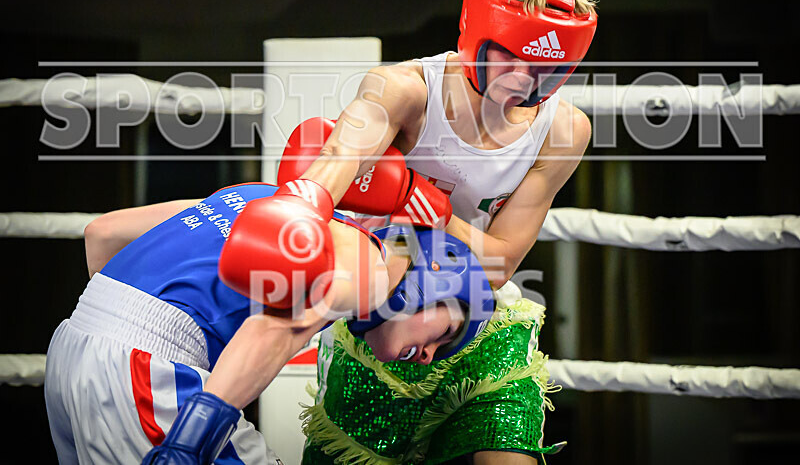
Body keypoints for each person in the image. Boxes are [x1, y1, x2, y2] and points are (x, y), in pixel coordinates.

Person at [277, 0, 597, 464]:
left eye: (547, 72)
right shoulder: (401, 90)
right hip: (384, 319)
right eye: (509, 60)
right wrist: (302, 205)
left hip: (483, 319)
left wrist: (436, 211)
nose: (524, 83)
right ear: (475, 31)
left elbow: (500, 262)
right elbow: (330, 168)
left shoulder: (564, 128)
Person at [44, 180, 494, 465]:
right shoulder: (373, 271)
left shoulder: (261, 194)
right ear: (433, 281)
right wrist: (189, 443)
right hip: (150, 370)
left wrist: (109, 340)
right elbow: (278, 327)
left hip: (71, 351)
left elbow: (102, 233)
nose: (431, 354)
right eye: (447, 332)